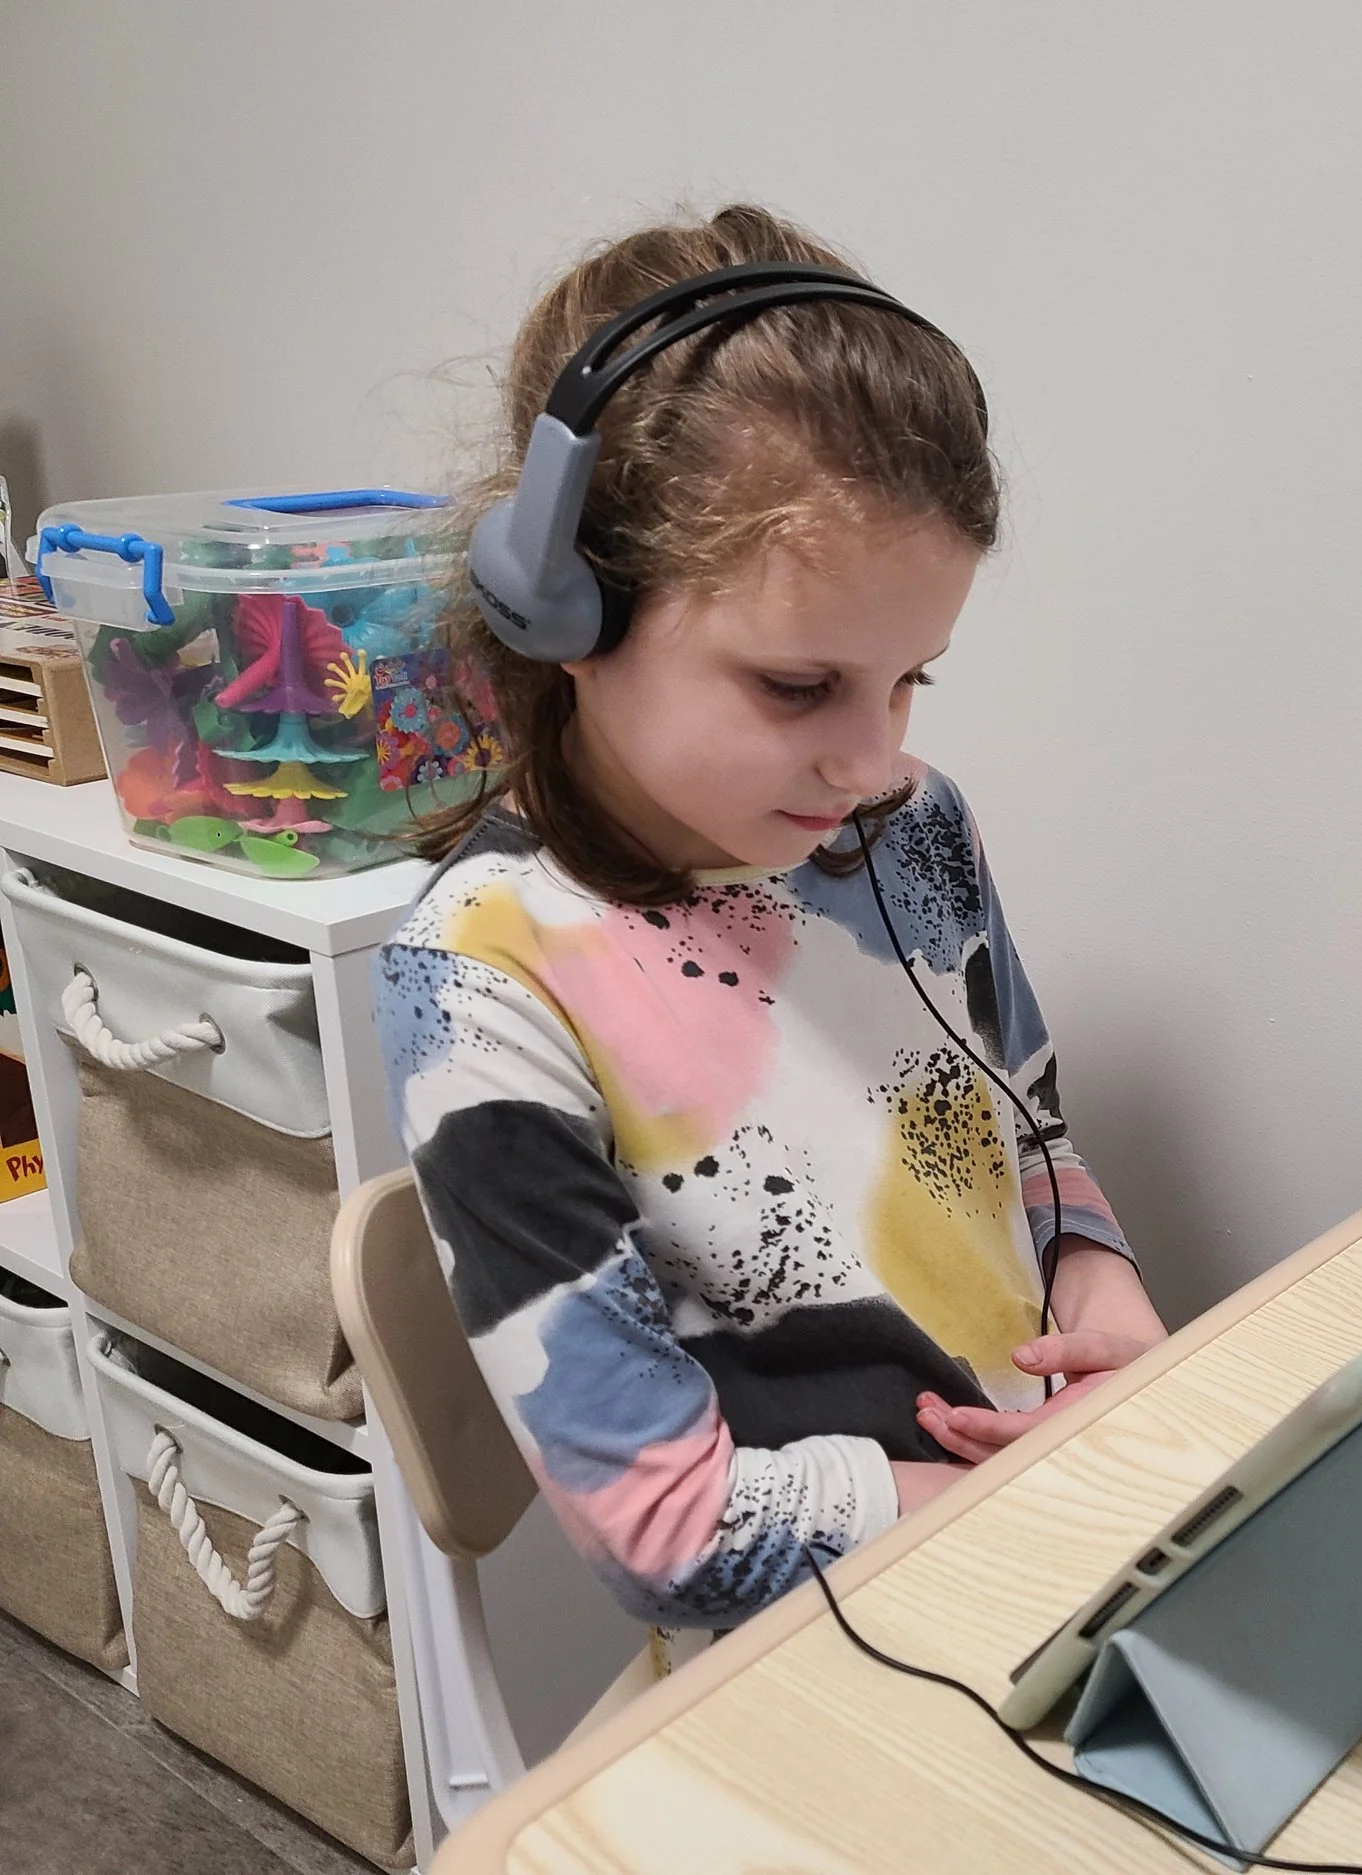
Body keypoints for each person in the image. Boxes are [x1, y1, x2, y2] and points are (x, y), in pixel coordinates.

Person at [376, 204, 1165, 1630]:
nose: (873, 760)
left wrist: (1110, 1314)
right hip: (830, 1648)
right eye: (801, 688)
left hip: (1053, 1544)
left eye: (913, 677)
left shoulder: (911, 830)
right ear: (569, 616)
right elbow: (660, 1526)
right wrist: (1009, 1504)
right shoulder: (485, 977)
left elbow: (1029, 1143)